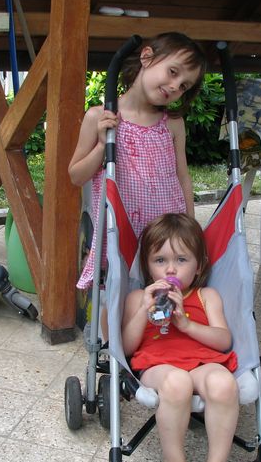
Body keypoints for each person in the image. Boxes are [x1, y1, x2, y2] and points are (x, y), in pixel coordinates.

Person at [122, 213, 239, 462]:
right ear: (147, 266)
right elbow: (128, 347)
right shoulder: (138, 297)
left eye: (182, 259)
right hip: (158, 364)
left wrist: (186, 324)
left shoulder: (206, 296)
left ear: (199, 266)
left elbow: (224, 340)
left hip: (202, 361)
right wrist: (144, 309)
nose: (170, 269)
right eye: (160, 260)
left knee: (224, 384)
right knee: (177, 383)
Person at [69, 32, 207, 292]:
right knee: (117, 299)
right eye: (173, 72)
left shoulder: (173, 124)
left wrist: (191, 228)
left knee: (164, 296)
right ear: (146, 57)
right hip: (121, 231)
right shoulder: (99, 117)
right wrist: (102, 145)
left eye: (184, 86)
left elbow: (183, 176)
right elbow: (76, 176)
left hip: (167, 236)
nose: (175, 86)